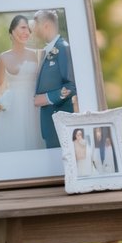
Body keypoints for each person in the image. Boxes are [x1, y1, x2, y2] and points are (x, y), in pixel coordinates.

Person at [0, 15, 43, 153]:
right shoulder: (3, 58)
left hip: (35, 106)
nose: (26, 32)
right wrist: (1, 101)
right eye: (23, 28)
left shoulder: (36, 55)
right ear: (12, 31)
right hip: (14, 108)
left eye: (28, 29)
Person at [33, 9, 76, 147]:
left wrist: (47, 98)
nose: (34, 29)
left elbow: (71, 86)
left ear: (46, 25)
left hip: (60, 122)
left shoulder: (63, 48)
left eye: (36, 25)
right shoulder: (48, 50)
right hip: (50, 124)